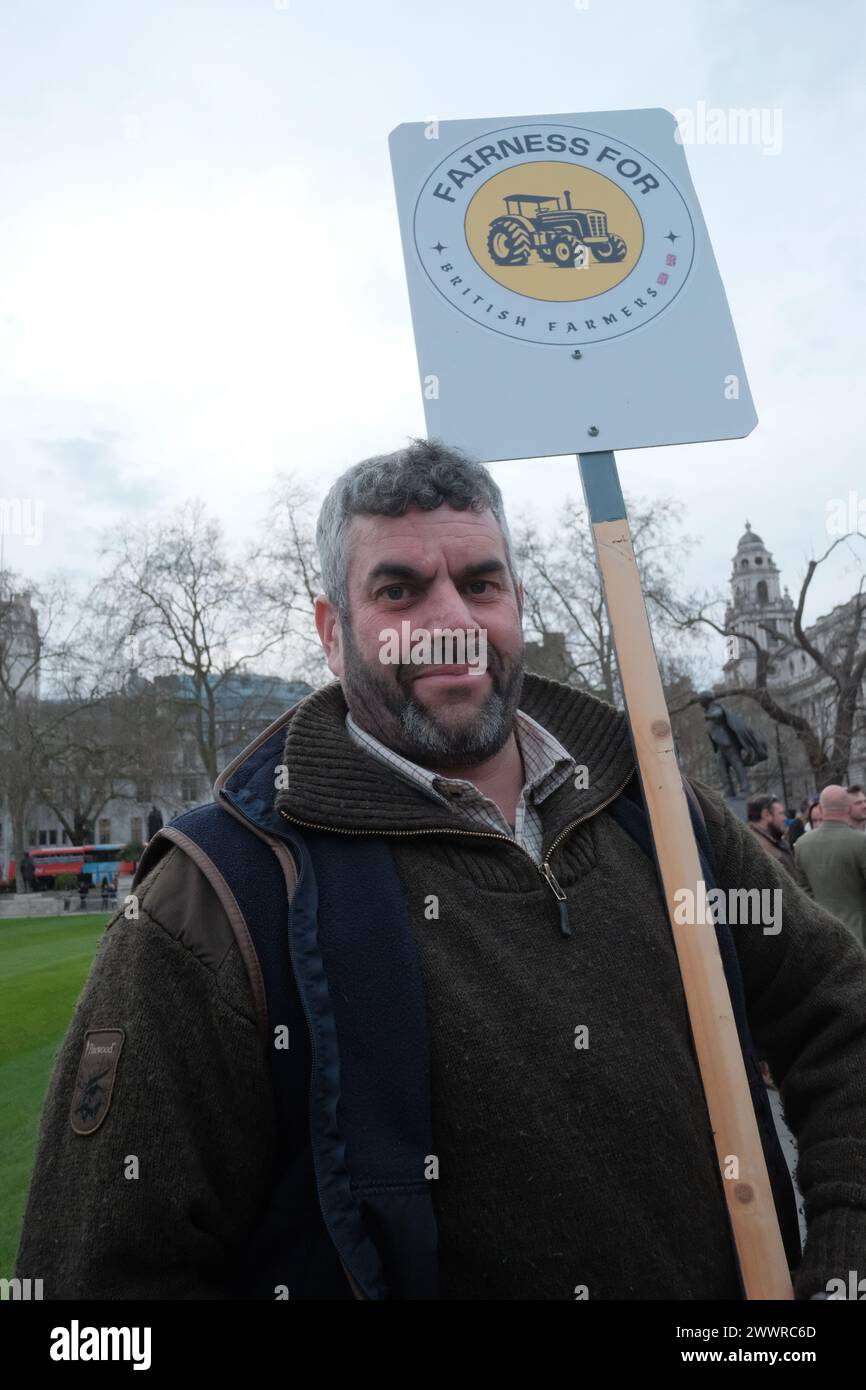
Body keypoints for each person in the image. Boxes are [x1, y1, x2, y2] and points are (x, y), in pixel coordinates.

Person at [15, 441, 866, 1301]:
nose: (451, 620)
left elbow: (841, 1012)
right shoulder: (217, 892)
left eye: (481, 584)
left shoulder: (656, 807)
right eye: (399, 591)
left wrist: (841, 1260)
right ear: (331, 633)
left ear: (516, 606)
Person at [794, 785, 866, 949]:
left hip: (823, 935)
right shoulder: (860, 842)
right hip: (859, 934)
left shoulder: (802, 845)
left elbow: (804, 894)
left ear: (820, 808)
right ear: (848, 808)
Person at [746, 794, 797, 877]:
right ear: (766, 814)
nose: (785, 818)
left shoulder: (774, 839)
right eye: (781, 813)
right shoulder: (756, 848)